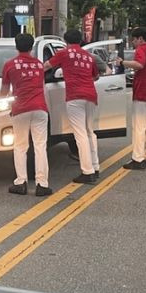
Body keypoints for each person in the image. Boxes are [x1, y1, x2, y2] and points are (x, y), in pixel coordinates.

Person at [0, 33, 52, 197]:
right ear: (31, 47)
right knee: (40, 146)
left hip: (20, 109)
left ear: (16, 46)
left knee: (20, 146)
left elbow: (4, 91)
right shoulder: (39, 65)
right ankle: (42, 184)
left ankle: (21, 182)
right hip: (40, 108)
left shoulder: (9, 65)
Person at [43, 29, 101, 184]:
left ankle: (87, 172)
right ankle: (95, 167)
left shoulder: (64, 53)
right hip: (91, 95)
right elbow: (96, 76)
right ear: (81, 40)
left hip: (75, 97)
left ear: (66, 40)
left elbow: (46, 66)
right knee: (89, 132)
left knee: (80, 133)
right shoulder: (89, 56)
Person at [116, 27, 146, 170]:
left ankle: (138, 159)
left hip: (143, 93)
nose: (133, 42)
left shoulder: (142, 49)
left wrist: (122, 62)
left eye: (134, 39)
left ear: (141, 39)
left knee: (139, 127)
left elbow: (139, 64)